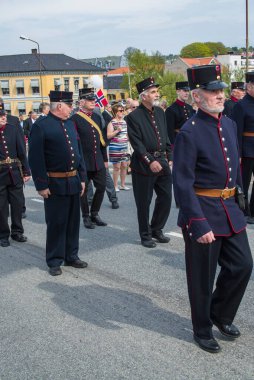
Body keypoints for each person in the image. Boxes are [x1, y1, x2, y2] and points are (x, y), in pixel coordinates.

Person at [173, 65, 253, 354]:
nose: (220, 95)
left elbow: (237, 168)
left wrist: (240, 199)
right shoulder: (189, 133)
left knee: (243, 265)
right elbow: (182, 183)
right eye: (213, 91)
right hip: (203, 211)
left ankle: (220, 314)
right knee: (202, 277)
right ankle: (202, 329)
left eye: (221, 90)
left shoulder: (229, 124)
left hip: (229, 208)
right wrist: (197, 222)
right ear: (197, 97)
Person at [28, 91, 88, 276]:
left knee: (72, 222)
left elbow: (78, 153)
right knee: (56, 222)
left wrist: (83, 178)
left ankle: (71, 255)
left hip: (73, 180)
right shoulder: (41, 126)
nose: (72, 108)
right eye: (70, 105)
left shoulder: (70, 124)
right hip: (54, 182)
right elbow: (36, 158)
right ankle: (54, 259)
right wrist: (41, 185)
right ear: (60, 106)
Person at [126, 77, 172, 248]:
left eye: (156, 91)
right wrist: (149, 161)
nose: (156, 94)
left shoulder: (160, 112)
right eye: (153, 92)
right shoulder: (133, 117)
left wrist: (170, 156)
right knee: (144, 202)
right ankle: (145, 235)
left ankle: (157, 229)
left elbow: (165, 136)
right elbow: (136, 143)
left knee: (166, 197)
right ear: (143, 96)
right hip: (143, 164)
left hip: (162, 161)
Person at [71, 88, 108, 229]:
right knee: (84, 190)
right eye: (90, 100)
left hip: (98, 160)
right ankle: (85, 216)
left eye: (94, 100)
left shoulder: (97, 117)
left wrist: (105, 159)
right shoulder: (74, 119)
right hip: (83, 162)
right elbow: (74, 143)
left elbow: (102, 141)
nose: (93, 102)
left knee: (102, 186)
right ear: (81, 102)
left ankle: (95, 213)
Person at [0, 103, 31, 247]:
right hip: (0, 174)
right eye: (1, 116)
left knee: (18, 204)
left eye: (4, 115)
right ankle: (3, 235)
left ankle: (17, 232)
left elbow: (21, 151)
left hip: (14, 171)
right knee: (2, 207)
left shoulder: (13, 129)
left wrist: (26, 171)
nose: (3, 118)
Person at [232, 72, 254, 224]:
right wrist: (237, 152)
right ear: (249, 86)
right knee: (244, 183)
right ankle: (243, 211)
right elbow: (236, 130)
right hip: (246, 149)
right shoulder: (241, 105)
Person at [107, 103, 130, 191]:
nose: (122, 112)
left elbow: (126, 134)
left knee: (124, 166)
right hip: (115, 148)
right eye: (121, 110)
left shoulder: (124, 122)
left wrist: (129, 142)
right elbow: (108, 136)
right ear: (116, 112)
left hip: (124, 147)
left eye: (123, 110)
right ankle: (115, 185)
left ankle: (123, 185)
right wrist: (117, 131)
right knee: (116, 167)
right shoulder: (112, 122)